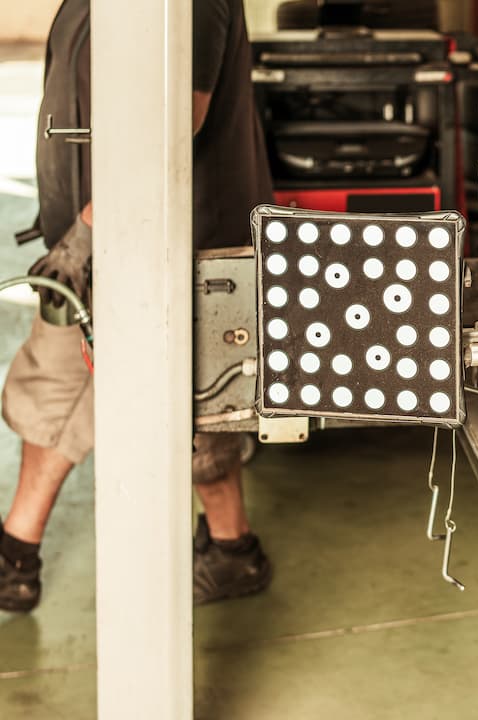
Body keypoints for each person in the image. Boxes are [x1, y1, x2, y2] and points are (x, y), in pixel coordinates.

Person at [0, 0, 275, 612]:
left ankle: (233, 552)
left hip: (173, 241)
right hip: (101, 239)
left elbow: (174, 121)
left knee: (193, 409)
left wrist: (89, 231)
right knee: (57, 381)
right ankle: (15, 553)